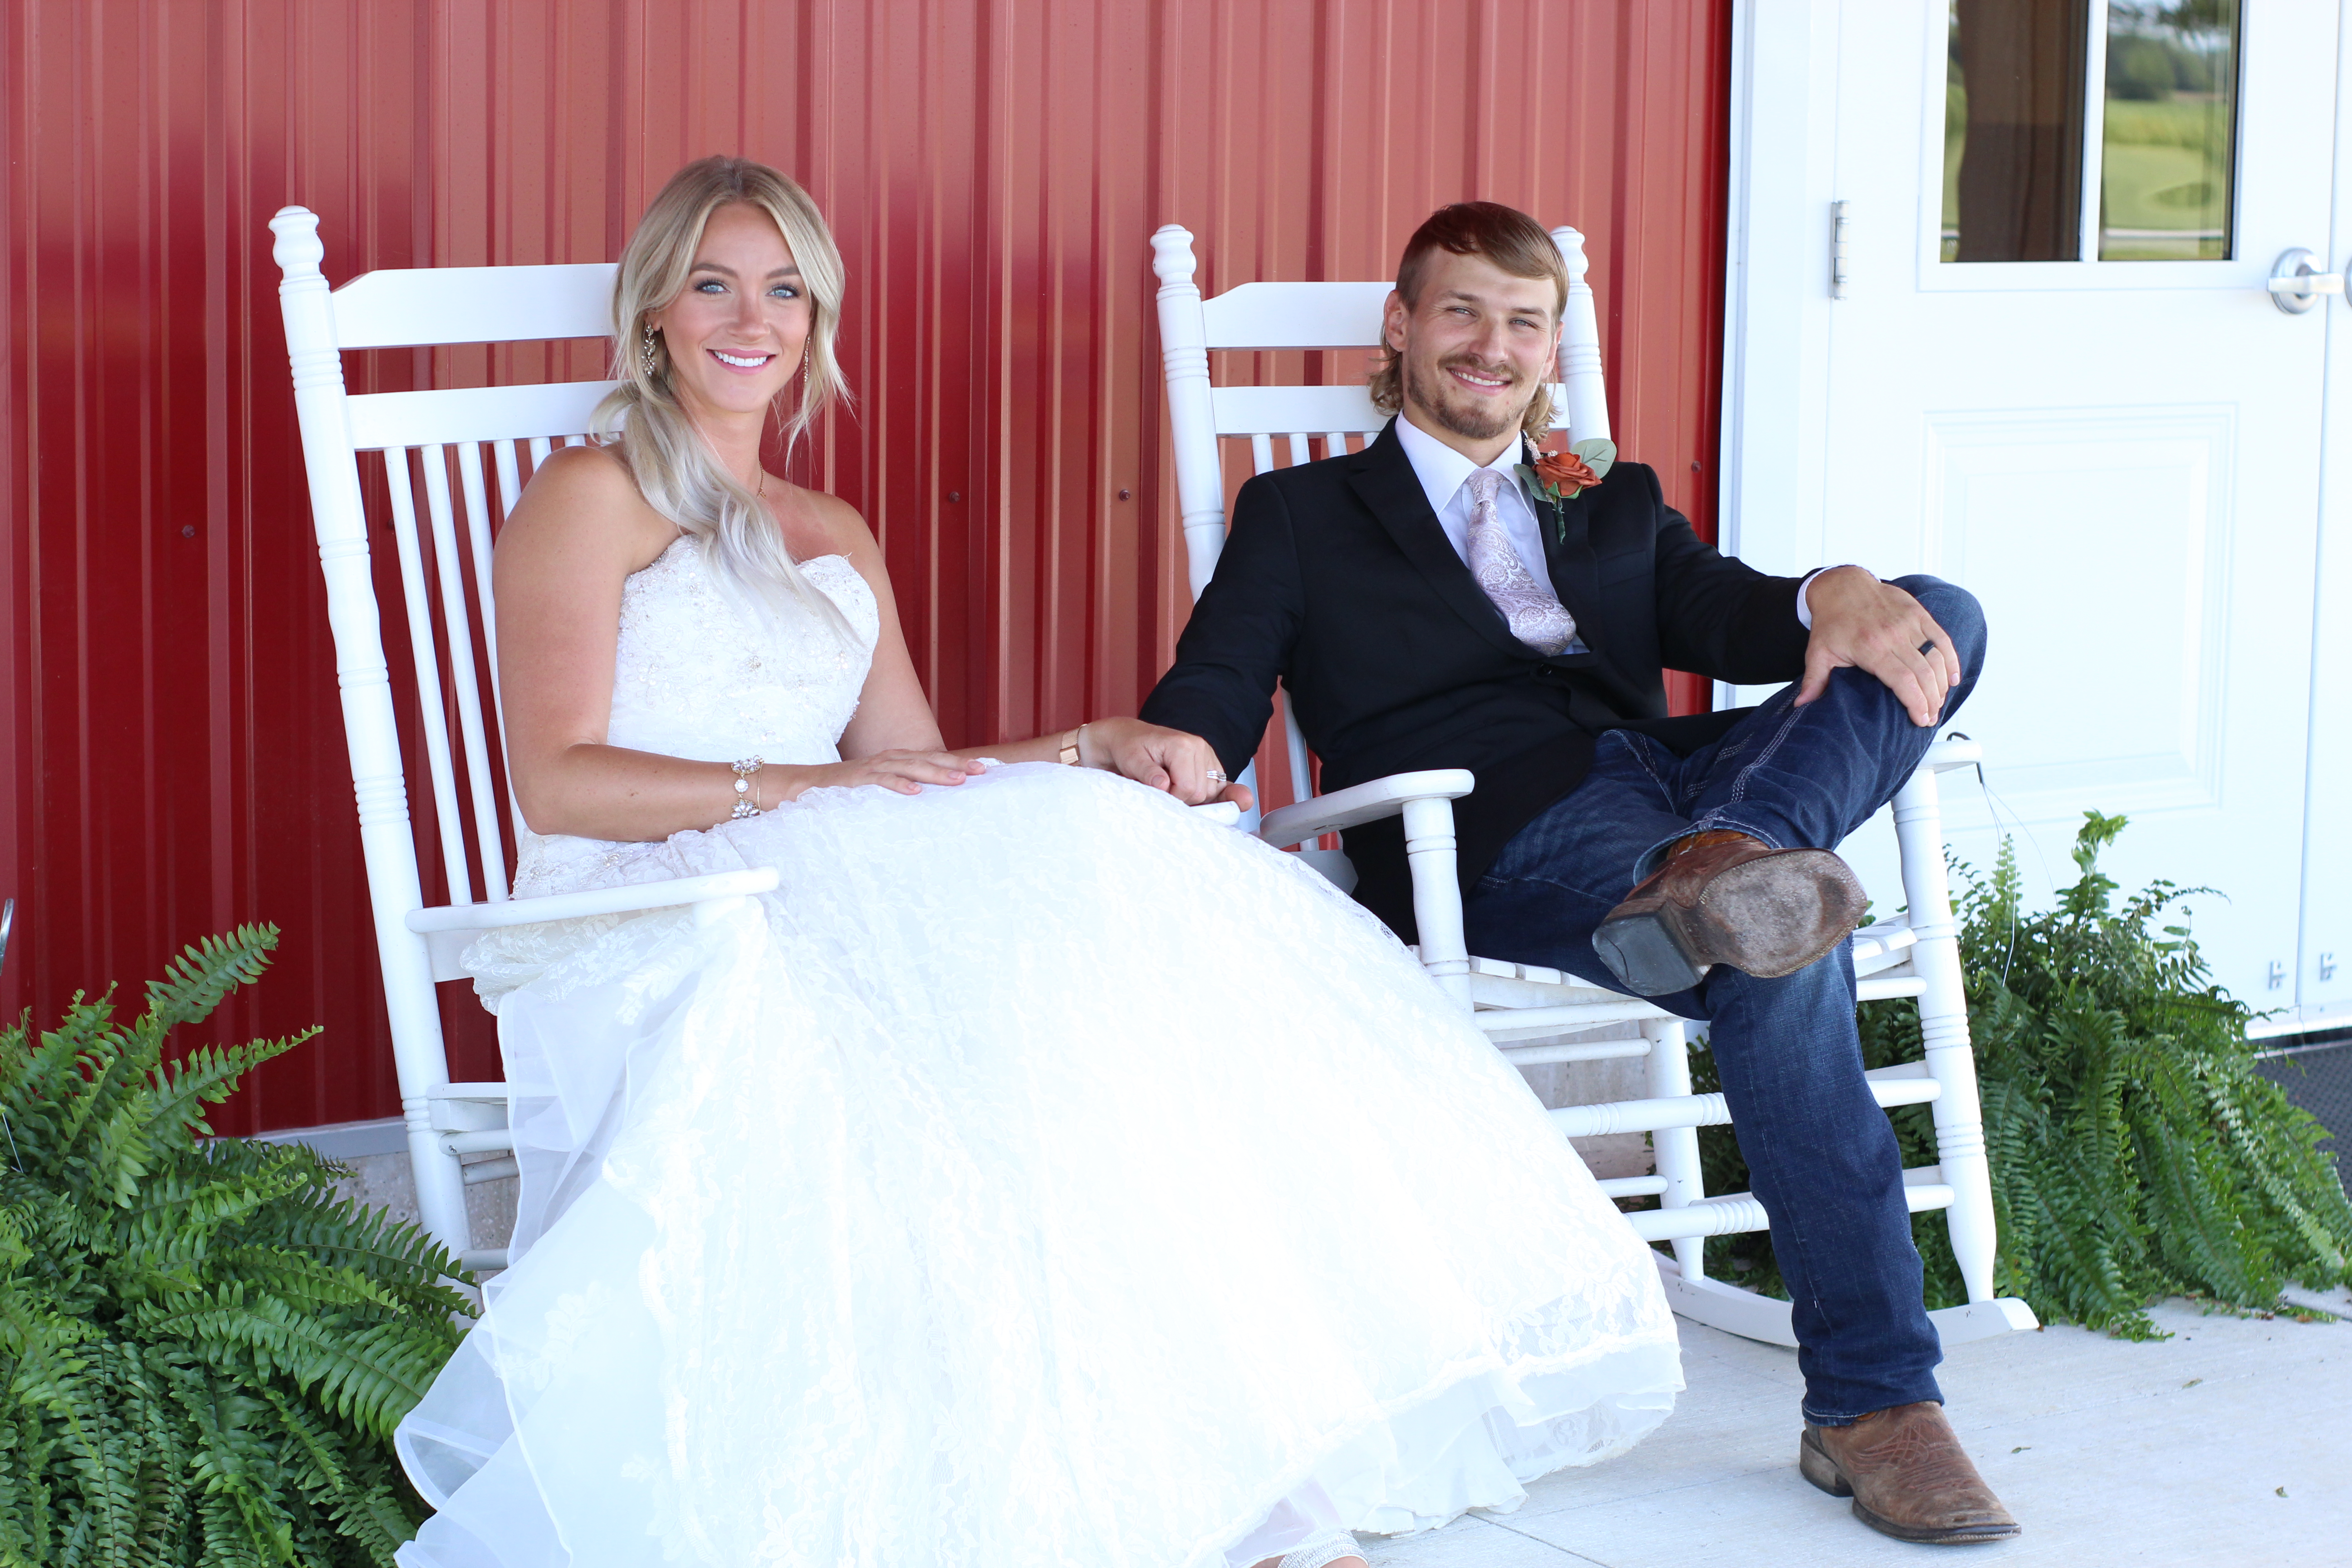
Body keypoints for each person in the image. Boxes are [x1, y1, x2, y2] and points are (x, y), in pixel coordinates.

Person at [391, 159, 1685, 1568]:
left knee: (1082, 1007)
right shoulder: (591, 493)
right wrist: (804, 789)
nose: (749, 318)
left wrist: (1083, 747)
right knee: (943, 1067)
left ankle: (1212, 1473)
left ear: (816, 322)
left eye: (785, 290)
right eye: (714, 283)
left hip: (823, 865)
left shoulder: (834, 534)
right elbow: (558, 781)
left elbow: (913, 769)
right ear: (656, 311)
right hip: (653, 897)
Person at [1139, 201, 2019, 1547]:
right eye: (1463, 313)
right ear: (1403, 326)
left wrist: (1831, 587)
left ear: (1554, 346)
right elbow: (1215, 689)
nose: (1494, 347)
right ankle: (1876, 1403)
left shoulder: (1607, 495)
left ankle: (1732, 864)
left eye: (1525, 321)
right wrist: (1177, 756)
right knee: (1781, 954)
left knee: (1934, 611)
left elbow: (1730, 613)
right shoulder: (1303, 513)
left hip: (1687, 783)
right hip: (1505, 830)